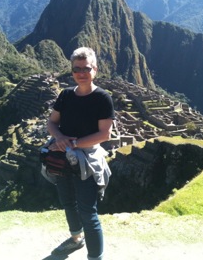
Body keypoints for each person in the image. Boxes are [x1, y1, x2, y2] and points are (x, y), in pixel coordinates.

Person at [47, 46, 115, 260]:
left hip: (87, 160)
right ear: (72, 71)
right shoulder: (66, 95)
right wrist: (59, 138)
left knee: (88, 211)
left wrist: (73, 144)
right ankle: (76, 238)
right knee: (67, 202)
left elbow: (104, 134)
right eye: (77, 69)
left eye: (86, 68)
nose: (81, 73)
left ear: (95, 69)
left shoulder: (102, 98)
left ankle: (96, 256)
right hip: (62, 156)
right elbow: (52, 122)